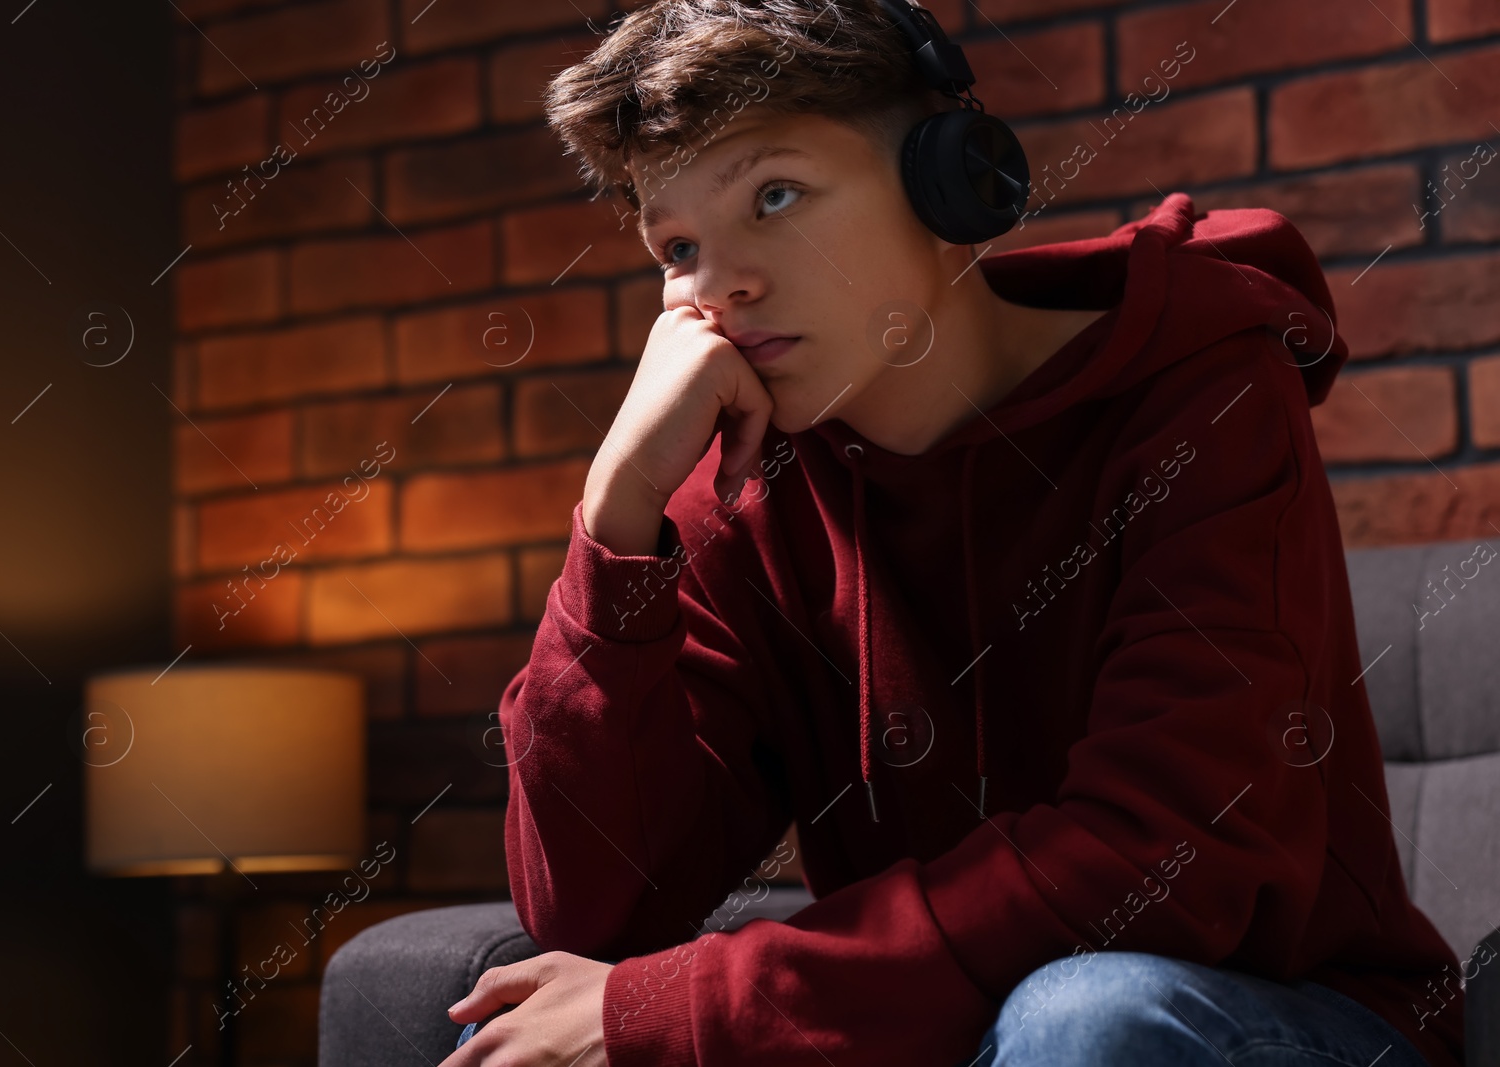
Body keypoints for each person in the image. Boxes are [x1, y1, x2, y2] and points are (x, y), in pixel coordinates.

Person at [441, 1, 1467, 1065]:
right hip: (949, 1026)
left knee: (1082, 1015)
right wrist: (616, 514)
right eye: (678, 245)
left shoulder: (1200, 398)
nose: (719, 284)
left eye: (775, 195)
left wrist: (689, 1005)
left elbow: (1161, 864)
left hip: (1279, 1016)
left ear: (953, 182)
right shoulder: (734, 494)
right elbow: (593, 909)